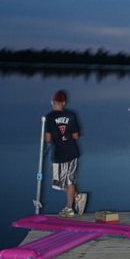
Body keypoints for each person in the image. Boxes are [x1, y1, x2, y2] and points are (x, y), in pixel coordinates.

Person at [45, 89, 87, 217]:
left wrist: (53, 137)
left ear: (53, 102)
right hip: (71, 151)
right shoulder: (71, 115)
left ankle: (70, 207)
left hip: (60, 153)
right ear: (64, 102)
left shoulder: (50, 117)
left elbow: (47, 138)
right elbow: (76, 135)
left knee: (62, 182)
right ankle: (77, 197)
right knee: (68, 181)